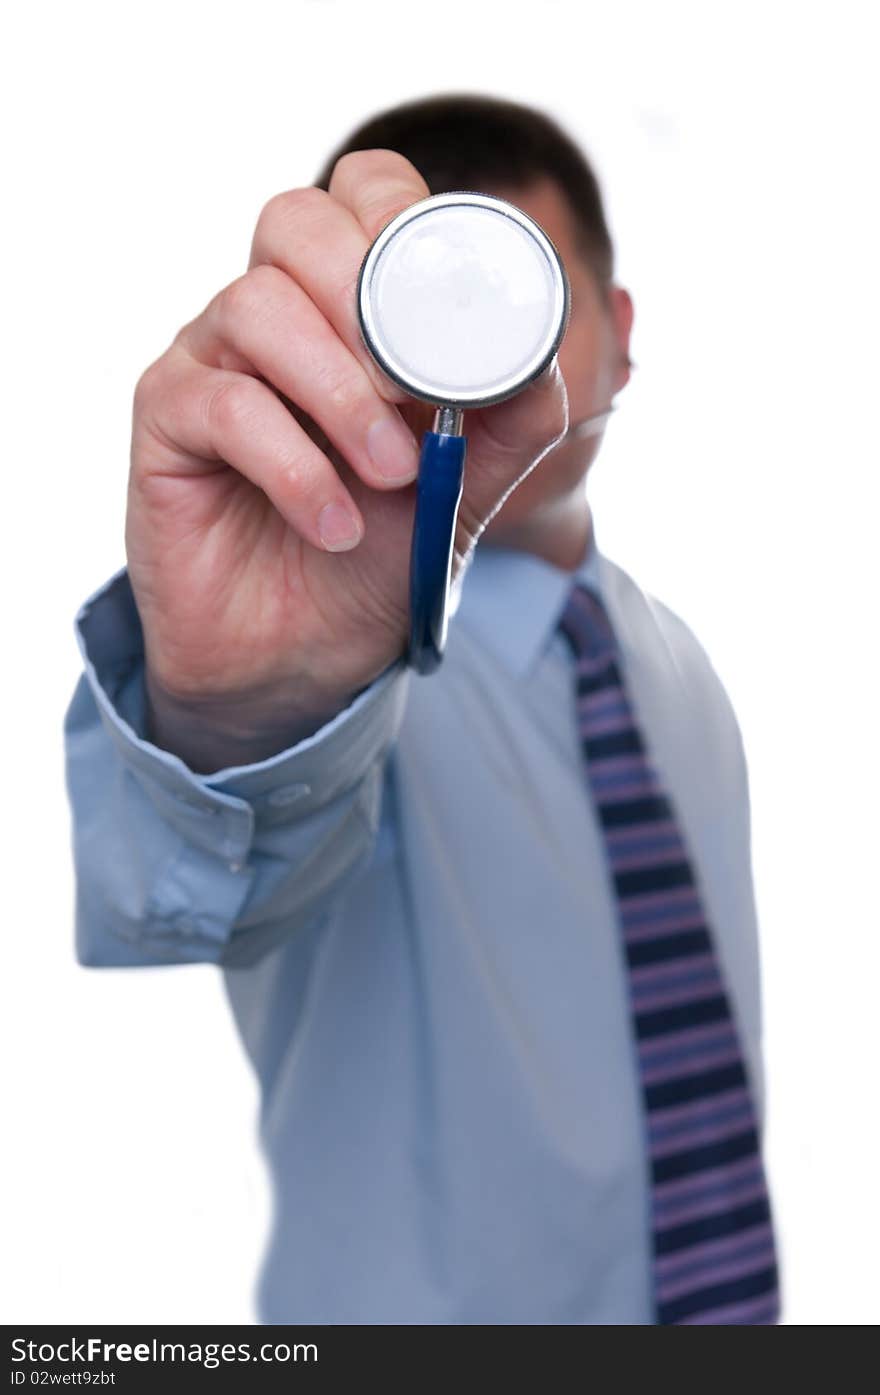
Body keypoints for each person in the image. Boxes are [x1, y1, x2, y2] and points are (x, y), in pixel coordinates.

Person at [63, 93, 780, 1324]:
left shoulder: (681, 670)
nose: (476, 363)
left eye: (517, 305)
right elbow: (210, 869)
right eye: (429, 319)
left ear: (611, 329)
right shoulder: (348, 689)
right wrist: (241, 709)